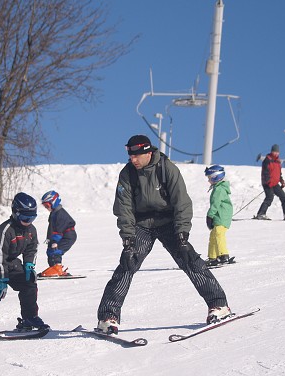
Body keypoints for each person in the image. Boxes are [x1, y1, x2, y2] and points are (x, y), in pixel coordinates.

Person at [96, 135, 232, 334]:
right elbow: (123, 208)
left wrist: (183, 235)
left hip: (169, 222)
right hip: (142, 224)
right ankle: (108, 316)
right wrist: (128, 241)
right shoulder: (127, 174)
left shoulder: (167, 169)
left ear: (148, 152)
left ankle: (218, 305)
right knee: (127, 263)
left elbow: (182, 202)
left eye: (136, 156)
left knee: (190, 260)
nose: (133, 160)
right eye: (130, 156)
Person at [0, 192, 49, 335]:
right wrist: (2, 279)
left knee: (29, 284)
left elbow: (32, 248)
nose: (28, 221)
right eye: (25, 218)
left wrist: (29, 265)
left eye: (32, 218)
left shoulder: (31, 230)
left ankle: (29, 317)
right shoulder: (5, 231)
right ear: (15, 213)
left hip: (11, 260)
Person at [38, 190, 77, 277]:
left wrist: (55, 241)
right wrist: (49, 239)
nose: (46, 208)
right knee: (50, 251)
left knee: (56, 251)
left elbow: (58, 230)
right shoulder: (54, 213)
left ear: (53, 202)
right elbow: (52, 228)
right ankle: (53, 268)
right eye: (44, 206)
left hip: (68, 235)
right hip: (59, 235)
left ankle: (58, 269)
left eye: (47, 205)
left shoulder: (60, 214)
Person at [204, 165, 234, 266]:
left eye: (209, 178)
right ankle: (212, 257)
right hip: (219, 216)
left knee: (218, 234)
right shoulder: (218, 188)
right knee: (213, 235)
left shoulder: (219, 189)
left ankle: (223, 255)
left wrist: (209, 216)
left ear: (215, 176)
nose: (208, 180)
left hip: (222, 216)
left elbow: (215, 204)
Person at [255, 144, 285, 221]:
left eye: (277, 152)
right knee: (269, 197)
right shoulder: (267, 160)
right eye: (274, 152)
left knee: (284, 197)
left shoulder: (278, 162)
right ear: (271, 151)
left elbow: (278, 173)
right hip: (267, 183)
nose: (276, 153)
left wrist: (281, 181)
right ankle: (261, 214)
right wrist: (268, 182)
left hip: (275, 183)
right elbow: (265, 173)